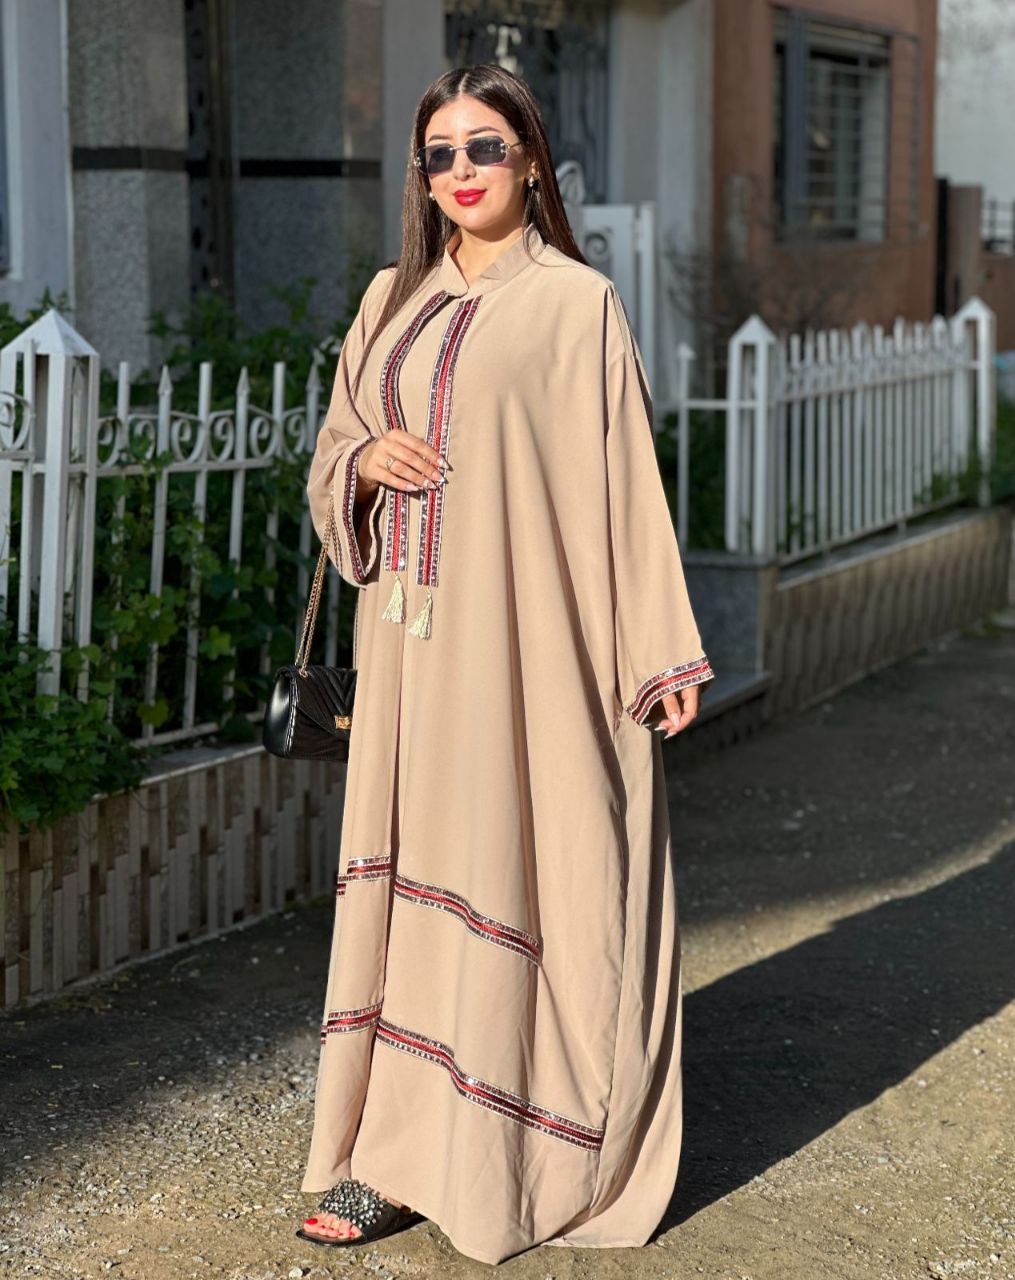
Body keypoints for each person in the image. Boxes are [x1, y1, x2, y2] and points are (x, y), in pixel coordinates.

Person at [295, 62, 715, 1266]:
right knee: (412, 885)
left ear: (532, 157)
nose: (461, 171)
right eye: (440, 153)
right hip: (408, 653)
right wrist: (363, 463)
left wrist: (658, 646)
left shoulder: (576, 304)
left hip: (528, 648)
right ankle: (390, 1155)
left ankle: (504, 1158)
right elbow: (334, 448)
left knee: (517, 871)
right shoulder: (389, 297)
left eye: (485, 145)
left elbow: (623, 482)